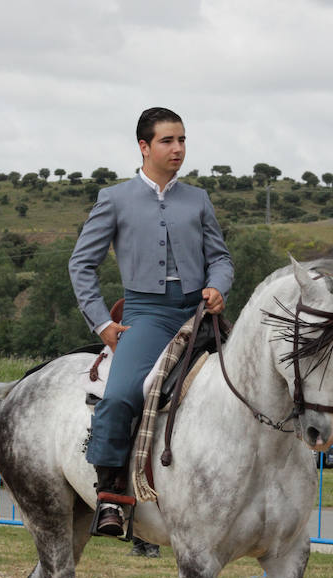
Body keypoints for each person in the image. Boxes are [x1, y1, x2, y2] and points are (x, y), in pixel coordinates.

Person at [69, 107, 234, 542]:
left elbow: (220, 258)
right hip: (148, 314)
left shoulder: (198, 199)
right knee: (121, 393)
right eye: (168, 141)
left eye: (182, 140)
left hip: (200, 314)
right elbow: (81, 265)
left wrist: (218, 286)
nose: (178, 148)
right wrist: (102, 323)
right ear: (144, 146)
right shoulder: (115, 199)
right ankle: (111, 495)